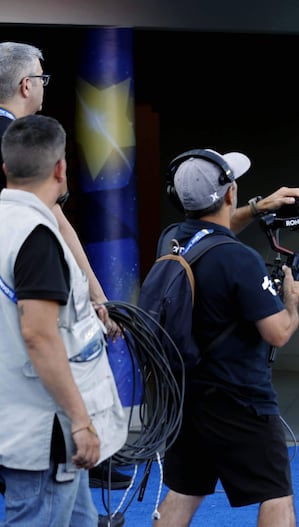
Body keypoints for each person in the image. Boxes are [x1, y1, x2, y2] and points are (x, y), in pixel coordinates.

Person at [153, 149, 299, 527]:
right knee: (275, 494)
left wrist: (256, 209)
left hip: (187, 396)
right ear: (229, 194)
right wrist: (292, 301)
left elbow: (211, 233)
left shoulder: (171, 240)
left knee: (184, 492)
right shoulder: (240, 259)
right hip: (241, 399)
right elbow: (278, 332)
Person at [0, 40, 129, 493]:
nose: (43, 86)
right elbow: (56, 220)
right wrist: (95, 292)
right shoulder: (24, 144)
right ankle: (84, 446)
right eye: (41, 77)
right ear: (24, 85)